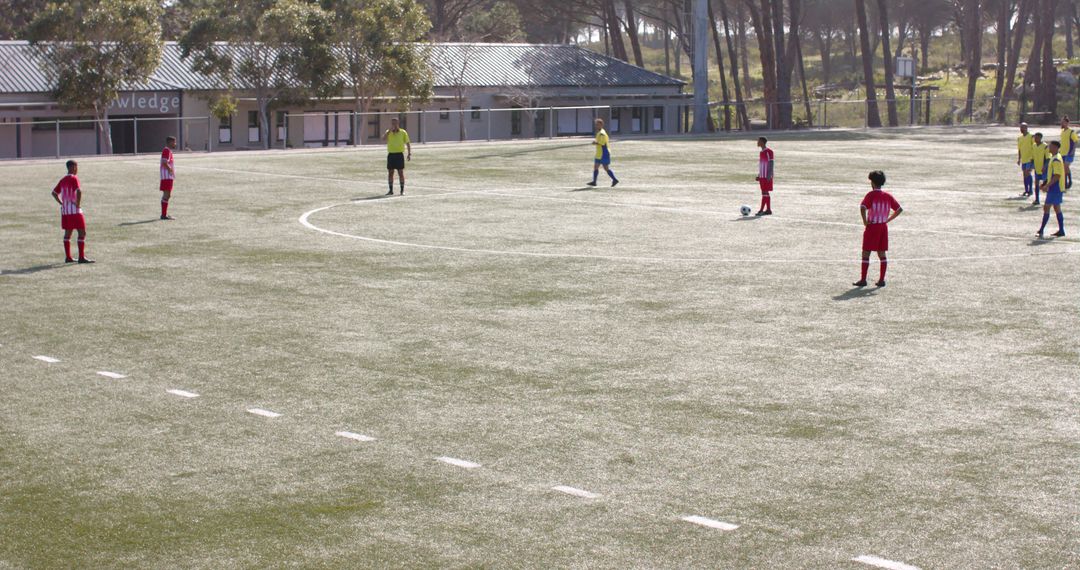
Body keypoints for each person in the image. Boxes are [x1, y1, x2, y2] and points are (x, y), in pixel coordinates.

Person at [853, 170, 901, 288]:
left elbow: (863, 207)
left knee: (866, 252)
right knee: (882, 253)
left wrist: (865, 221)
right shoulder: (888, 196)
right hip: (883, 227)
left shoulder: (871, 195)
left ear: (873, 183)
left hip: (872, 227)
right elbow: (899, 209)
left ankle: (863, 280)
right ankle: (881, 280)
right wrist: (888, 220)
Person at [51, 160, 93, 264]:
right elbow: (79, 191)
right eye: (76, 166)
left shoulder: (62, 180)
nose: (77, 169)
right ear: (73, 167)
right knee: (82, 232)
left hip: (65, 212)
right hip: (75, 211)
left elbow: (54, 193)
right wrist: (78, 204)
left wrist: (61, 203)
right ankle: (81, 257)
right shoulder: (74, 178)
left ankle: (68, 257)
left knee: (67, 234)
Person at [1037, 140, 1067, 238]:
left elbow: (1057, 175)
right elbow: (1052, 174)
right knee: (1056, 208)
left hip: (1055, 188)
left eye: (1050, 146)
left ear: (1055, 147)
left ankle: (1041, 230)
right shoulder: (1054, 157)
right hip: (1056, 187)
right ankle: (1061, 230)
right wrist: (1045, 183)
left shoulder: (1056, 159)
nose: (1049, 148)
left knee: (1046, 207)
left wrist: (1047, 186)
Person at [586, 118, 618, 187]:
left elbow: (602, 143)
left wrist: (595, 142)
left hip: (604, 153)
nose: (596, 126)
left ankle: (615, 179)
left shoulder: (602, 133)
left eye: (598, 124)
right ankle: (594, 182)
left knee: (606, 168)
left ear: (601, 125)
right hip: (599, 153)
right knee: (596, 167)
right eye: (596, 124)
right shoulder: (599, 133)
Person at [382, 118, 410, 196]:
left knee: (400, 172)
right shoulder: (388, 132)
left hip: (399, 155)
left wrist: (409, 153)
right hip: (391, 155)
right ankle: (390, 190)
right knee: (390, 173)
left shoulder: (403, 132)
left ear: (398, 124)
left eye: (395, 123)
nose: (394, 125)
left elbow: (407, 143)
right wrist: (389, 132)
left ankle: (402, 190)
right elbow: (383, 139)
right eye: (393, 123)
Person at [755, 136, 774, 215]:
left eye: (758, 141)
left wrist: (769, 175)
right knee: (764, 192)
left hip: (767, 175)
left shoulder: (769, 151)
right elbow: (762, 164)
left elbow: (771, 163)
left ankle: (761, 210)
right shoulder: (761, 152)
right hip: (762, 176)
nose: (757, 142)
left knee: (765, 192)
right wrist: (759, 175)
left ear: (762, 142)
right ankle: (768, 210)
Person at [160, 135, 177, 220]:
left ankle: (164, 214)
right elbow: (164, 162)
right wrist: (170, 170)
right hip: (166, 177)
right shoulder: (166, 150)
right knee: (167, 195)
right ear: (170, 142)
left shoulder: (168, 150)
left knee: (167, 195)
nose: (175, 144)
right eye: (174, 142)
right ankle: (163, 215)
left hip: (168, 177)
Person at [1060, 116, 1079, 189]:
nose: (1062, 123)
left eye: (1063, 122)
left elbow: (1075, 141)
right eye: (1062, 122)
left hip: (1069, 153)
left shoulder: (1071, 132)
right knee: (1065, 168)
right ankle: (1066, 182)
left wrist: (1072, 151)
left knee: (1065, 167)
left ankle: (1068, 182)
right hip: (1062, 152)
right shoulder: (1062, 132)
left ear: (1067, 123)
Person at [1031, 132, 1049, 205]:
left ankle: (1048, 200)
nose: (1035, 139)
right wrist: (1031, 166)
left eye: (1036, 137)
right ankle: (1037, 199)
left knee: (1046, 186)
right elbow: (1032, 157)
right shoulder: (1034, 146)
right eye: (1034, 137)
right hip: (1037, 169)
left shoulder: (1045, 146)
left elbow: (1048, 158)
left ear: (1040, 138)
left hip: (1044, 170)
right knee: (1036, 185)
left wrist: (1045, 167)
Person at [1017, 122, 1034, 197]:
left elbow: (1034, 147)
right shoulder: (1019, 138)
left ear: (1026, 128)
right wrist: (1019, 158)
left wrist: (1033, 158)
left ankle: (1030, 190)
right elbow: (1019, 149)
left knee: (1028, 173)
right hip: (1023, 159)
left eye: (1023, 127)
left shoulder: (1031, 137)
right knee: (1024, 175)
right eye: (1020, 127)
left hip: (1030, 158)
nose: (1021, 129)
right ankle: (1026, 190)